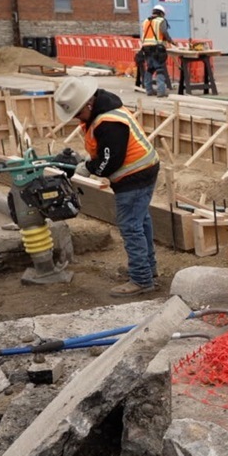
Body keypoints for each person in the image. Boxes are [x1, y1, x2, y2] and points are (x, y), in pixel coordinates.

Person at [54, 76, 161, 297]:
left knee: (131, 226)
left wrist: (89, 167)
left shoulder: (108, 122)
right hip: (143, 170)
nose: (76, 118)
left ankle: (141, 279)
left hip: (134, 176)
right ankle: (146, 269)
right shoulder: (104, 109)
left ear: (88, 104)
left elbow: (110, 161)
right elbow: (107, 150)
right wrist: (91, 160)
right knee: (141, 222)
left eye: (77, 113)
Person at [140, 5, 173, 97]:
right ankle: (161, 91)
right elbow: (164, 32)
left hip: (146, 48)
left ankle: (149, 90)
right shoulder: (161, 20)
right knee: (160, 69)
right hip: (157, 49)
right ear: (161, 13)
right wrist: (170, 40)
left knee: (150, 69)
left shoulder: (145, 21)